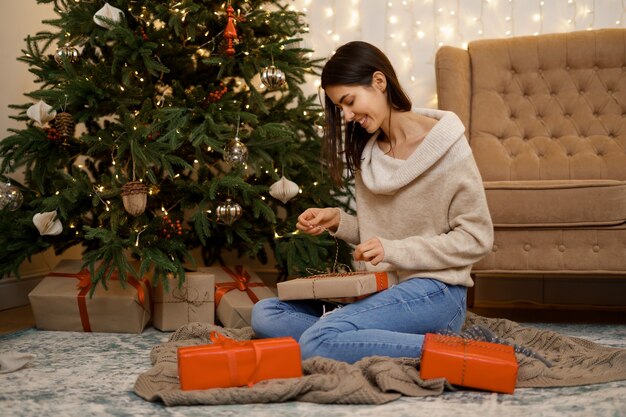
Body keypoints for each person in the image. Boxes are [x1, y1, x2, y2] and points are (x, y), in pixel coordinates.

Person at [251, 41, 494, 364]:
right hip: (382, 292)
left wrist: (393, 250)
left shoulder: (447, 147)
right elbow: (384, 230)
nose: (348, 116)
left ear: (379, 82)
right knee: (266, 313)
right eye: (341, 108)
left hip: (437, 292)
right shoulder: (367, 153)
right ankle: (362, 339)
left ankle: (446, 350)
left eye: (349, 102)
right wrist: (340, 221)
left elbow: (477, 238)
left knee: (317, 340)